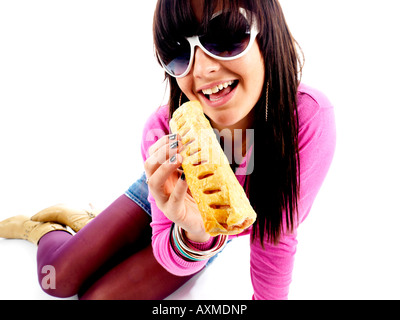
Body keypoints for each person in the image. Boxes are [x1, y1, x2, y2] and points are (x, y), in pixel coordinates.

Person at [0, 0, 335, 300]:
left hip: (209, 234)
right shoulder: (162, 130)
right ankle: (48, 229)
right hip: (162, 193)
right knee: (56, 280)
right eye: (178, 52)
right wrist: (183, 227)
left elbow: (275, 233)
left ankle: (92, 226)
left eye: (225, 35)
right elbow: (164, 240)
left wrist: (199, 232)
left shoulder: (307, 120)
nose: (202, 70)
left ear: (269, 30)